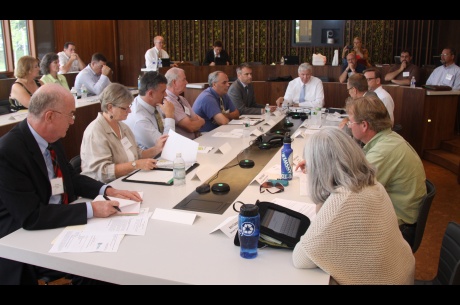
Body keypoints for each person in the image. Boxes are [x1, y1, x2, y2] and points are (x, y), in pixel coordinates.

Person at [0, 83, 142, 285]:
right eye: (70, 115)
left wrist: (108, 190)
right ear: (50, 116)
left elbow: (71, 178)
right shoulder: (9, 152)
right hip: (22, 238)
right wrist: (91, 209)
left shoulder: (51, 138)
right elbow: (31, 216)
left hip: (58, 220)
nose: (73, 121)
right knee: (102, 269)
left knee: (121, 249)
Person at [292, 127, 415, 285]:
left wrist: (320, 179)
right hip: (401, 274)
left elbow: (300, 259)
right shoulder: (369, 182)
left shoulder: (343, 199)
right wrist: (322, 175)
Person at [345, 95, 427, 246]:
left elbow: (353, 191)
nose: (349, 126)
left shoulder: (383, 151)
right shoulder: (388, 138)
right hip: (399, 215)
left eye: (351, 122)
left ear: (364, 125)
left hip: (400, 228)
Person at [80, 83, 167, 184]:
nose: (129, 111)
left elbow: (137, 154)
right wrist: (136, 165)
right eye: (125, 108)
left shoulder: (123, 127)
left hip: (127, 180)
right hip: (104, 187)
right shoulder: (95, 132)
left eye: (129, 106)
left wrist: (157, 149)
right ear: (110, 108)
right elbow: (102, 172)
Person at [124, 71, 174, 149]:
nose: (166, 95)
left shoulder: (153, 103)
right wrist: (170, 116)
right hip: (151, 157)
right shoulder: (139, 119)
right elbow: (166, 146)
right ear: (150, 94)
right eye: (163, 92)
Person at [164, 67, 205, 139]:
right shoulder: (168, 101)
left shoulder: (182, 99)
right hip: (183, 146)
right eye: (184, 79)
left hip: (195, 140)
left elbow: (198, 119)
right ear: (174, 83)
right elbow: (190, 127)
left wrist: (198, 121)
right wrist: (197, 122)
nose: (187, 82)